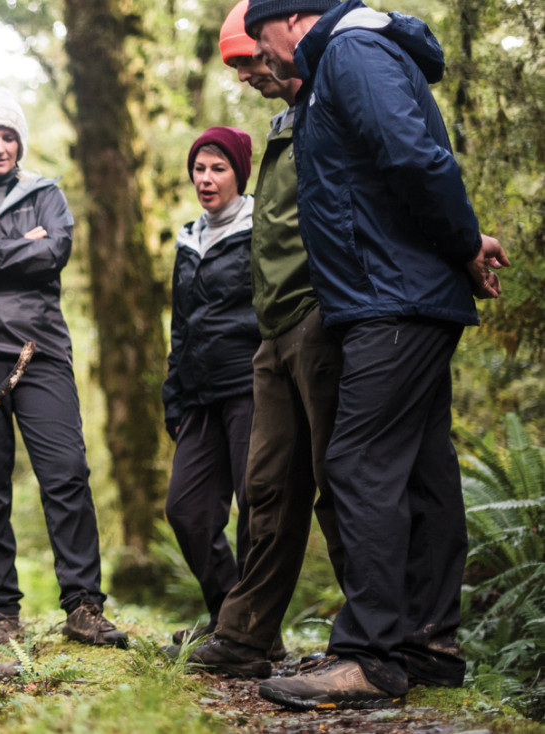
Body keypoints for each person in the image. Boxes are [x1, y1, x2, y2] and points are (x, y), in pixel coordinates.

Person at [242, 0, 510, 710]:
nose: (263, 55)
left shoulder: (352, 55)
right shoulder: (353, 56)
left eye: (262, 37)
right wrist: (461, 245)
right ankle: (430, 643)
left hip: (390, 298)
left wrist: (461, 242)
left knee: (358, 463)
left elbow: (413, 158)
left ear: (294, 18)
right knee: (422, 469)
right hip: (401, 293)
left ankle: (370, 654)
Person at [177, 0, 348, 679]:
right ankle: (244, 632)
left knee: (339, 484)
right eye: (240, 67)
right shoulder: (286, 124)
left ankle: (370, 636)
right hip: (264, 347)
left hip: (319, 322)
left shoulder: (334, 99)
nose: (250, 74)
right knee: (267, 492)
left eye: (253, 59)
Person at [0, 88, 126, 649]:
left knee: (66, 473)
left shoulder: (48, 195)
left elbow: (52, 255)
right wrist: (17, 250)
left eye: (7, 136)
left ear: (19, 143)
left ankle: (84, 605)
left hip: (40, 352)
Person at [161, 126, 261, 644]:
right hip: (198, 396)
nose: (206, 178)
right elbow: (182, 323)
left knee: (255, 508)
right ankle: (229, 615)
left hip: (250, 386)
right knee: (187, 509)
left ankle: (252, 630)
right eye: (199, 168)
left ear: (239, 174)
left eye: (218, 167)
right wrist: (173, 394)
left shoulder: (261, 227)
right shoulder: (188, 238)